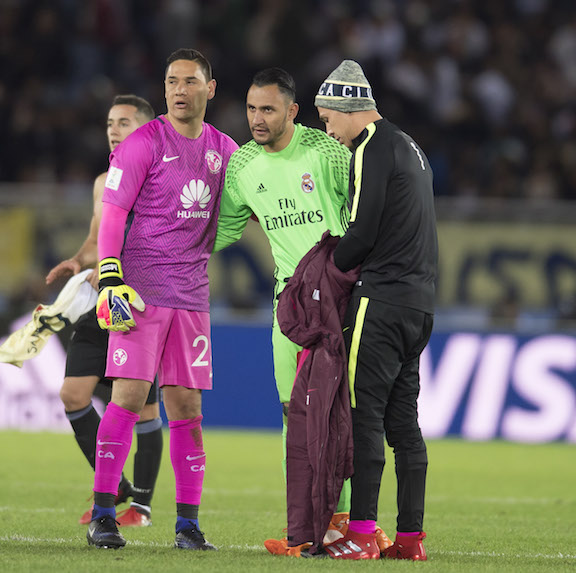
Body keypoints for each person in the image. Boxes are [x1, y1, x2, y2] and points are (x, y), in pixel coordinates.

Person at [86, 48, 238, 551]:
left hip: (192, 297)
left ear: (209, 89)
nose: (178, 90)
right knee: (128, 398)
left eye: (190, 81)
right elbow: (113, 213)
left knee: (187, 407)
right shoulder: (142, 143)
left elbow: (251, 202)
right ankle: (104, 514)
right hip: (141, 294)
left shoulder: (225, 150)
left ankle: (188, 526)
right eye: (171, 81)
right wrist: (110, 276)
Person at [213, 68, 357, 555]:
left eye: (268, 109)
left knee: (338, 416)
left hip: (339, 303)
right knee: (291, 417)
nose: (256, 118)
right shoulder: (242, 166)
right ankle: (301, 530)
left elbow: (364, 216)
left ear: (293, 111)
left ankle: (341, 526)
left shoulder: (329, 154)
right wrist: (158, 242)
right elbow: (224, 230)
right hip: (287, 308)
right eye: (251, 108)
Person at [314, 60, 438, 560]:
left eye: (328, 120)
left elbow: (361, 232)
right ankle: (409, 539)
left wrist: (326, 268)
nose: (329, 130)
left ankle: (362, 532)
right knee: (404, 424)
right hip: (419, 306)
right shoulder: (411, 147)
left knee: (362, 416)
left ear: (349, 110)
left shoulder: (370, 148)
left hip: (381, 301)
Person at [43, 95, 162, 527]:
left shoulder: (158, 178)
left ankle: (141, 509)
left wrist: (118, 268)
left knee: (144, 410)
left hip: (137, 304)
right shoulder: (102, 181)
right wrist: (78, 261)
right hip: (100, 304)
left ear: (146, 130)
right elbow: (97, 239)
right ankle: (114, 487)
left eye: (125, 123)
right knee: (73, 394)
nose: (114, 130)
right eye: (110, 123)